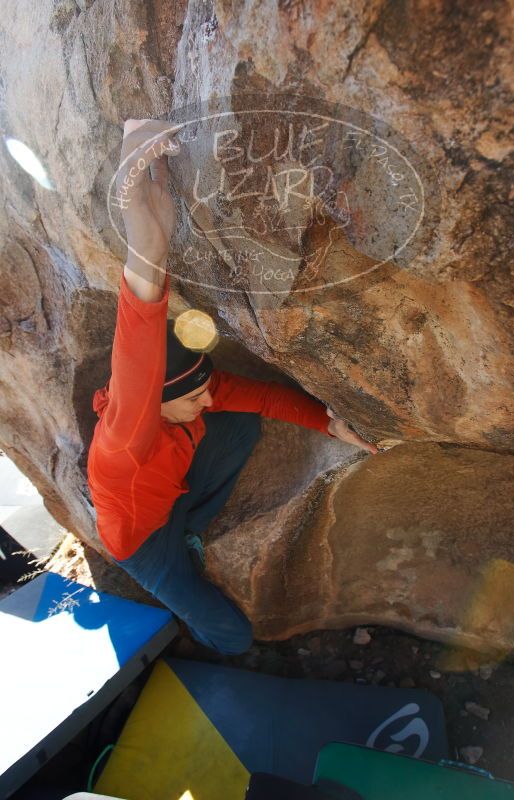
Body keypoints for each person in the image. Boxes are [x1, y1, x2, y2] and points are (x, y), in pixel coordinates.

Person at [87, 119, 378, 656]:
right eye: (194, 396)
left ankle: (193, 526)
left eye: (205, 389)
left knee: (239, 423)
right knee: (233, 636)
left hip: (170, 496)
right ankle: (196, 647)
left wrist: (330, 423)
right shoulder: (125, 440)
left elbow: (261, 398)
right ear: (155, 400)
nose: (207, 399)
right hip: (144, 545)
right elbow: (137, 354)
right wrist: (146, 245)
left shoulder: (187, 399)